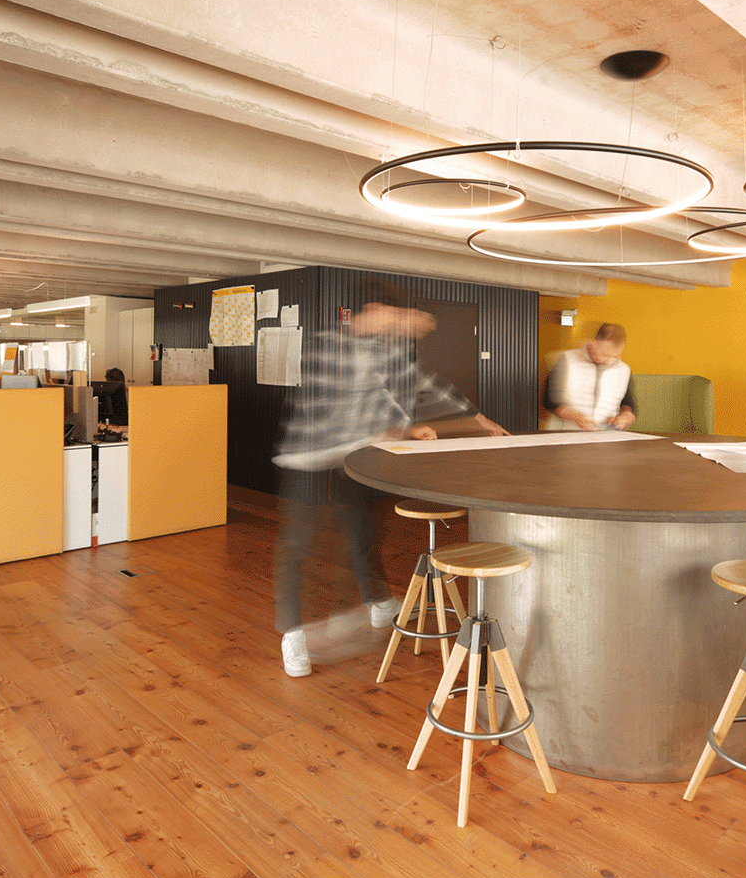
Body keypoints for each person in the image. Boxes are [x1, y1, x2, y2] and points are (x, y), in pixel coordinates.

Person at [270, 281, 507, 677]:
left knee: (363, 532)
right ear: (371, 310)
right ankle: (292, 636)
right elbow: (333, 408)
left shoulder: (386, 351)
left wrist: (477, 419)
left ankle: (378, 602)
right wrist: (386, 432)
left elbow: (421, 383)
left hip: (354, 456)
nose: (396, 323)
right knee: (297, 547)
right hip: (307, 458)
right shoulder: (326, 345)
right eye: (392, 315)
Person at [543, 322, 637, 431]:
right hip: (564, 434)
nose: (610, 360)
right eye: (605, 354)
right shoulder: (567, 359)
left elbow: (627, 403)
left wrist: (626, 416)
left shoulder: (624, 369)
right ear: (594, 342)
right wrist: (577, 417)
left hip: (604, 437)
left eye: (615, 355)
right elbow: (550, 401)